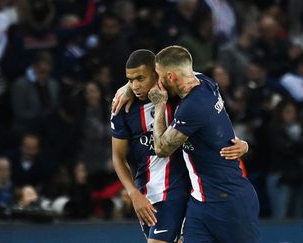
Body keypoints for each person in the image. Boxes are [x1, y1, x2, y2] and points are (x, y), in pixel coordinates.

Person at [111, 49, 248, 243]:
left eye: (140, 78)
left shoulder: (180, 93)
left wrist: (240, 142)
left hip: (188, 191)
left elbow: (211, 119)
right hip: (152, 193)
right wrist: (133, 193)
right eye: (130, 80)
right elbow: (118, 157)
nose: (135, 86)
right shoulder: (122, 108)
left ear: (158, 74)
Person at [148, 45, 259, 243]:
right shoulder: (206, 82)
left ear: (171, 76)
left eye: (159, 76)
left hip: (229, 202)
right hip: (201, 203)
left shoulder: (193, 106)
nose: (157, 82)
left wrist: (159, 105)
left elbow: (161, 148)